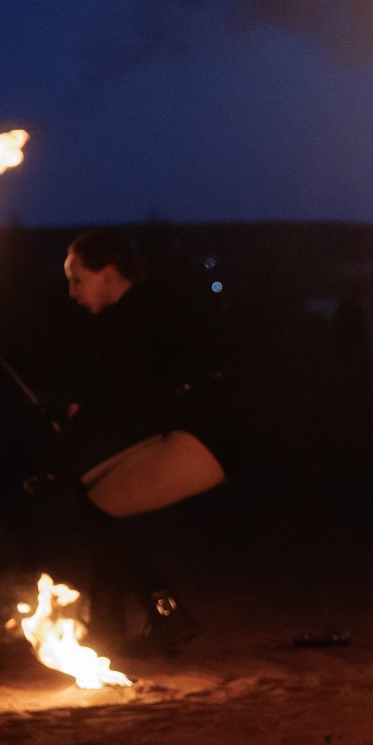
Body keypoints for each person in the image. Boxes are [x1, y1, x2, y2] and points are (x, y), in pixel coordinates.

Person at [52, 229, 227, 655]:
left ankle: (163, 611)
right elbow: (112, 395)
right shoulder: (128, 317)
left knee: (95, 513)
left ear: (109, 275)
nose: (72, 292)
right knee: (92, 505)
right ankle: (111, 628)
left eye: (78, 280)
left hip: (212, 432)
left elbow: (119, 394)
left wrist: (73, 430)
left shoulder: (137, 316)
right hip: (190, 428)